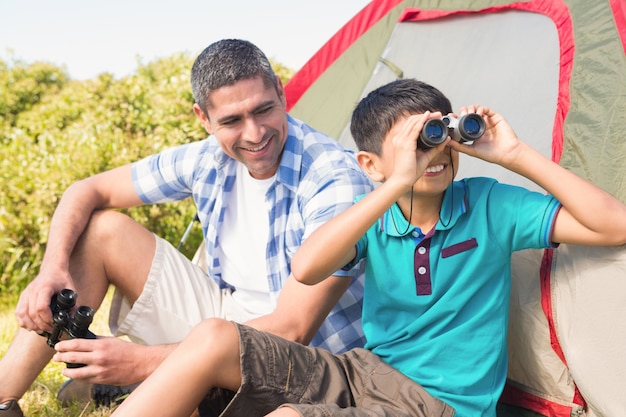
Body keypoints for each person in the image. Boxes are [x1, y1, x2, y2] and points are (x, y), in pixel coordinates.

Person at [109, 78, 626, 417]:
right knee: (213, 337)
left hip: (440, 406)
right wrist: (395, 185)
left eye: (439, 134)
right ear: (370, 165)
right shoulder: (374, 218)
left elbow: (614, 226)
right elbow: (307, 268)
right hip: (362, 373)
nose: (435, 152)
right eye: (415, 143)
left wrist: (513, 154)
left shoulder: (489, 205)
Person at [0, 39, 373, 417]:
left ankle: (154, 383)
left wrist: (142, 362)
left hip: (301, 363)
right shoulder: (208, 159)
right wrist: (52, 270)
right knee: (101, 232)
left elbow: (294, 328)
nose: (255, 133)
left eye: (264, 110)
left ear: (281, 90)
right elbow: (86, 190)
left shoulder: (334, 179)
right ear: (203, 118)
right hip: (225, 322)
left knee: (181, 364)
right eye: (231, 121)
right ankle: (2, 399)